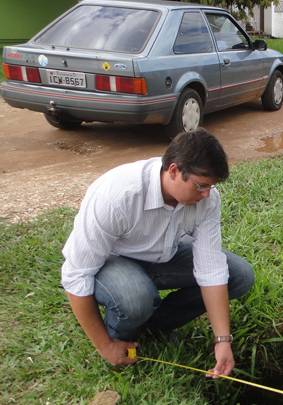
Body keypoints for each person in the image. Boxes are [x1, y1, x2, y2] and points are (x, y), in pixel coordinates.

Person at [61, 129, 255, 375]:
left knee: (238, 274)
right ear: (174, 171)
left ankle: (156, 325)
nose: (207, 194)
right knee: (136, 296)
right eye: (201, 186)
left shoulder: (207, 200)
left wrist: (222, 340)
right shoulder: (116, 196)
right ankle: (123, 341)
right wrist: (104, 345)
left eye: (211, 186)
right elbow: (76, 275)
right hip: (114, 261)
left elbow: (211, 268)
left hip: (164, 257)